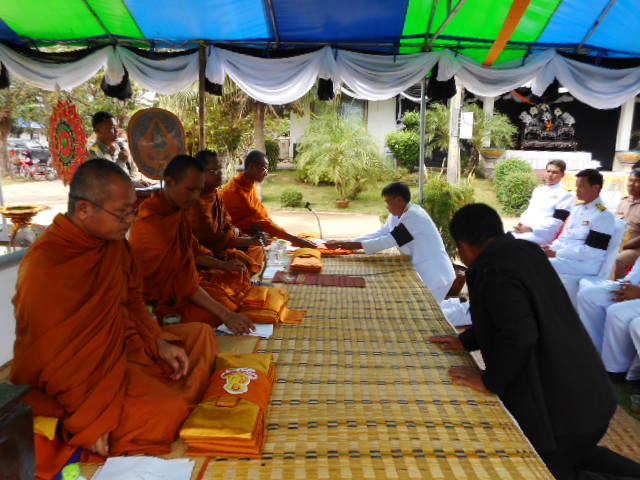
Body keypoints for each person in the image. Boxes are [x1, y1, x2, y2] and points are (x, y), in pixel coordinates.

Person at [11, 159, 218, 458]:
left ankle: (162, 393)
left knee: (202, 335)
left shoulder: (114, 244)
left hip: (125, 345)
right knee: (167, 412)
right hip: (81, 379)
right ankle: (149, 403)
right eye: (122, 213)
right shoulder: (45, 266)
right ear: (84, 209)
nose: (131, 220)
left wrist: (157, 340)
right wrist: (90, 413)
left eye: (133, 210)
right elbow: (49, 356)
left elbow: (133, 300)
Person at [430, 203, 640, 480]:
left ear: (464, 247)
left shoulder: (492, 270)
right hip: (590, 395)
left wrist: (490, 381)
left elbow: (519, 335)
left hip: (561, 410)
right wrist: (466, 341)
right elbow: (506, 317)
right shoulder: (525, 251)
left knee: (549, 470)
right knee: (579, 453)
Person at [129, 154, 255, 334]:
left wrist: (224, 265)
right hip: (154, 300)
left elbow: (194, 250)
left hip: (184, 287)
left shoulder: (176, 212)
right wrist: (226, 315)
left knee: (229, 292)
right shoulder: (151, 222)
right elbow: (183, 280)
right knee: (218, 313)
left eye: (198, 190)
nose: (195, 197)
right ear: (170, 182)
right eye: (190, 190)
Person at [325, 181, 455, 302]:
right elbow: (380, 234)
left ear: (398, 200)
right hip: (426, 270)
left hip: (436, 274)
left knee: (429, 310)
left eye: (388, 202)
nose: (387, 206)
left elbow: (387, 241)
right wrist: (348, 242)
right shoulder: (396, 215)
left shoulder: (415, 217)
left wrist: (347, 245)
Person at [188, 150, 266, 273]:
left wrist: (250, 239)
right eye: (214, 170)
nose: (220, 173)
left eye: (220, 169)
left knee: (256, 249)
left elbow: (226, 229)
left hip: (222, 250)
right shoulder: (193, 204)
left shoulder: (216, 195)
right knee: (240, 271)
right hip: (204, 261)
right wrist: (224, 264)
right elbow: (205, 245)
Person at [221, 150, 316, 248]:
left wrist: (290, 238)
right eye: (264, 169)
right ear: (252, 167)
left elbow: (261, 217)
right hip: (230, 242)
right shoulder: (237, 192)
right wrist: (294, 239)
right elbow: (261, 223)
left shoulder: (247, 185)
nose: (266, 173)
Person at [577, 259, 640, 382]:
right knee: (588, 296)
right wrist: (627, 286)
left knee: (618, 312)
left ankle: (616, 370)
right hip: (635, 285)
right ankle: (596, 355)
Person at [544, 169, 615, 276]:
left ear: (595, 188)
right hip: (566, 258)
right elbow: (565, 237)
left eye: (581, 187)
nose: (576, 191)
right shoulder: (577, 209)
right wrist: (551, 248)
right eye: (576, 187)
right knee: (532, 256)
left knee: (538, 263)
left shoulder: (603, 215)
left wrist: (557, 253)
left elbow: (592, 251)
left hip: (584, 264)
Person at [512, 159, 575, 245]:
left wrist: (530, 228)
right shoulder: (538, 191)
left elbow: (557, 222)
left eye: (555, 172)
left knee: (510, 244)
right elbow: (528, 212)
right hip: (525, 231)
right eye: (548, 171)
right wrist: (521, 226)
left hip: (543, 235)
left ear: (562, 175)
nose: (550, 174)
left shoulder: (566, 195)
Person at [89, 111, 149, 187]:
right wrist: (121, 162)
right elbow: (104, 183)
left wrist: (136, 182)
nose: (117, 131)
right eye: (112, 128)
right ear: (98, 131)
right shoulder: (93, 153)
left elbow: (133, 171)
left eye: (116, 127)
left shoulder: (122, 146)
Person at [615, 169, 640, 278]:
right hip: (618, 244)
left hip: (635, 248)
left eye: (636, 181)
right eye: (630, 180)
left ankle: (619, 287)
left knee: (619, 260)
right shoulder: (623, 201)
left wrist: (623, 246)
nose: (631, 184)